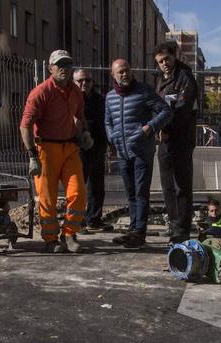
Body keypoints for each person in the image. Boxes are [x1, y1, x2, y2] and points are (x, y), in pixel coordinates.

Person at [20, 49, 93, 253]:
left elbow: (80, 115)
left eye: (67, 64)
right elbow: (25, 125)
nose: (64, 68)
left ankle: (69, 234)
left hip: (70, 147)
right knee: (47, 197)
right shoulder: (41, 92)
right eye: (59, 64)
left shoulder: (76, 91)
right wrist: (33, 156)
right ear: (50, 68)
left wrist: (85, 133)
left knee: (78, 192)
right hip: (46, 149)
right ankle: (51, 239)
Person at [105, 59, 171, 248]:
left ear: (131, 71)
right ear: (113, 75)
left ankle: (139, 233)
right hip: (122, 152)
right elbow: (108, 121)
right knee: (130, 193)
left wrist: (150, 127)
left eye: (127, 70)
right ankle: (133, 229)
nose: (124, 74)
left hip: (142, 150)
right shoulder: (110, 97)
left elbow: (166, 111)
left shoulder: (144, 90)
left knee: (141, 192)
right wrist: (112, 137)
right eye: (120, 72)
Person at [154, 42, 198, 244]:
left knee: (182, 186)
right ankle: (174, 225)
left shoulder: (185, 78)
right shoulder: (160, 80)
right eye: (160, 61)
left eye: (167, 59)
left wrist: (166, 130)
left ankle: (182, 229)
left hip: (180, 140)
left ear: (175, 56)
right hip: (164, 141)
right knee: (167, 186)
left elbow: (182, 109)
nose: (164, 63)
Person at [73, 69, 113, 232]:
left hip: (98, 146)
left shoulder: (99, 99)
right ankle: (78, 221)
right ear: (74, 81)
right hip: (79, 147)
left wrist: (109, 145)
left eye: (88, 81)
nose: (84, 84)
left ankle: (94, 219)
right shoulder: (71, 99)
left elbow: (105, 121)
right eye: (80, 80)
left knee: (97, 185)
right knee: (78, 185)